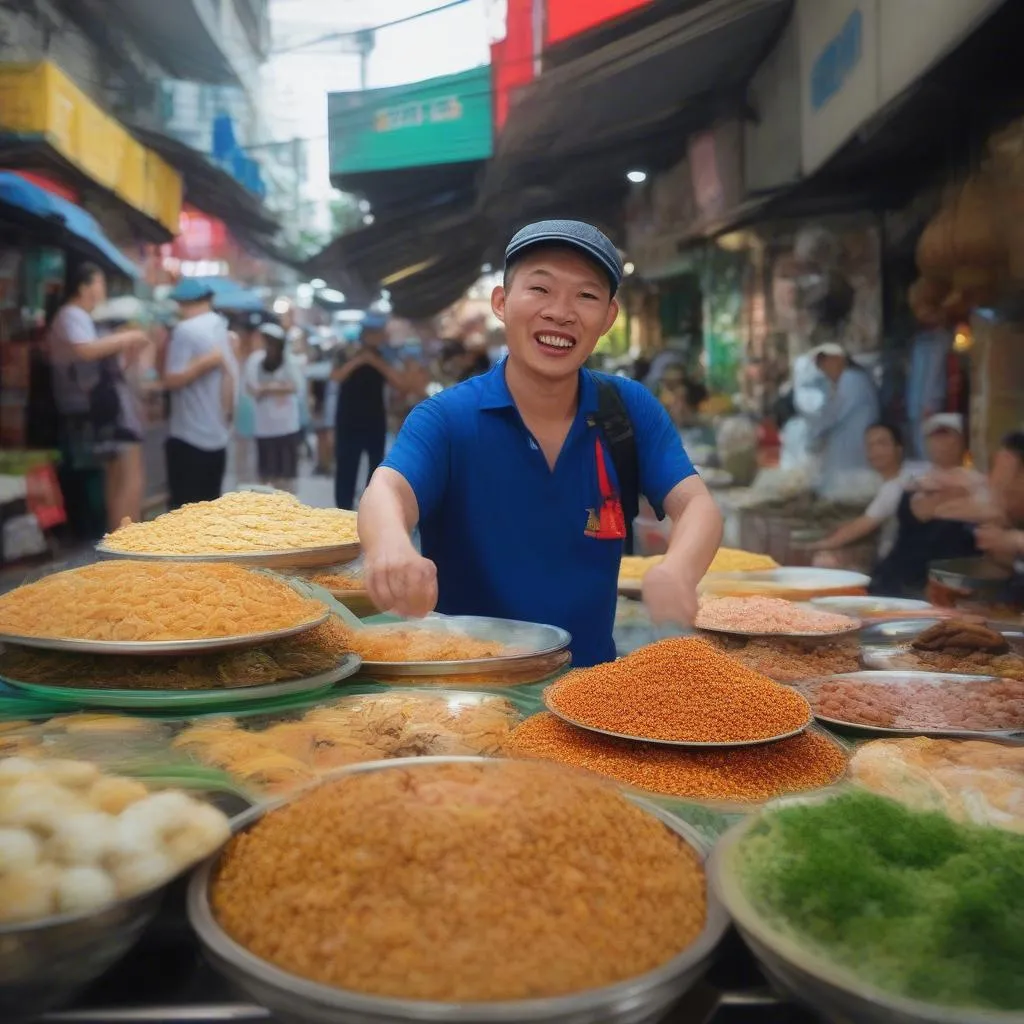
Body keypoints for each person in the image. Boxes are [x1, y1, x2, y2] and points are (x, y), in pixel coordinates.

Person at [358, 219, 723, 668]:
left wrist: (677, 570)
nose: (561, 312)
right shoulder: (447, 418)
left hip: (592, 693)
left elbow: (697, 506)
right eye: (540, 289)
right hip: (469, 692)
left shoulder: (628, 410)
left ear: (608, 317)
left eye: (586, 296)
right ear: (502, 302)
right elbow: (387, 490)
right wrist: (390, 546)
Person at [49, 263, 152, 530]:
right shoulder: (72, 314)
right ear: (84, 287)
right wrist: (127, 337)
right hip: (93, 409)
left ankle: (121, 535)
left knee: (120, 474)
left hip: (99, 407)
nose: (103, 290)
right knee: (129, 472)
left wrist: (125, 348)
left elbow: (105, 364)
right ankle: (126, 538)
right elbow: (85, 351)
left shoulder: (82, 317)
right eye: (100, 283)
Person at [870, 414, 983, 597]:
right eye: (935, 437)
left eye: (947, 436)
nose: (941, 443)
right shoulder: (914, 481)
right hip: (900, 577)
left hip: (944, 580)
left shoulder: (976, 483)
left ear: (961, 441)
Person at [332, 312, 420, 510]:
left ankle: (370, 509)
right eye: (380, 332)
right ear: (368, 333)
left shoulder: (386, 355)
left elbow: (400, 383)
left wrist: (375, 362)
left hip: (374, 418)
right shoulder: (344, 351)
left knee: (376, 469)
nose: (383, 336)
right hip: (348, 417)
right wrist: (359, 361)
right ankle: (342, 510)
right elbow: (336, 376)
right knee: (346, 466)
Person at [162, 279, 237, 509]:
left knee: (183, 514)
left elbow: (171, 380)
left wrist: (203, 363)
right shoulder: (221, 328)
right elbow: (230, 381)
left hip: (189, 437)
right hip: (218, 436)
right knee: (208, 512)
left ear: (182, 303)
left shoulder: (186, 329)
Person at [811, 423, 927, 565]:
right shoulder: (905, 474)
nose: (876, 451)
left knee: (824, 559)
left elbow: (860, 527)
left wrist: (814, 546)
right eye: (870, 446)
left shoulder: (899, 484)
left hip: (899, 564)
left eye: (882, 444)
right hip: (903, 556)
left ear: (899, 448)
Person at [805, 343, 881, 496]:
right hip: (847, 448)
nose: (824, 370)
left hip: (852, 448)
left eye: (825, 364)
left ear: (838, 360)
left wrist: (814, 436)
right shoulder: (850, 379)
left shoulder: (851, 379)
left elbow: (833, 413)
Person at [245, 322, 302, 492]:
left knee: (286, 474)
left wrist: (267, 388)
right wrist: (277, 386)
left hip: (286, 425)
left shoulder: (289, 361)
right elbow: (252, 388)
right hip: (264, 425)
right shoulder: (255, 360)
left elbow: (295, 385)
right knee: (266, 473)